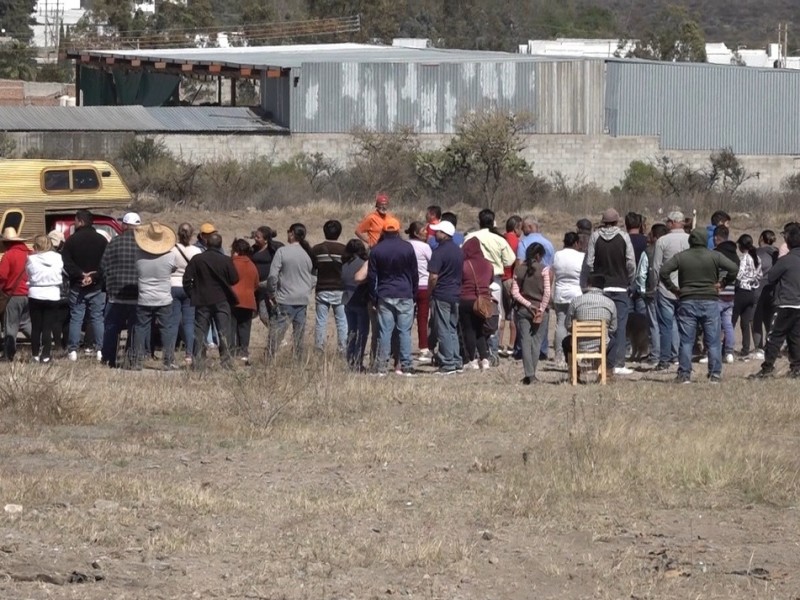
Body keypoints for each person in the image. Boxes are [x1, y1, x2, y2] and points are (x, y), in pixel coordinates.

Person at [659, 228, 739, 384]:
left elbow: (663, 271)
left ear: (691, 241)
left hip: (687, 300)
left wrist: (673, 289)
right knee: (713, 340)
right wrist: (723, 283)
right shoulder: (714, 255)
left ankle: (684, 375)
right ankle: (715, 374)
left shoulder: (682, 257)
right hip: (710, 300)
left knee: (687, 340)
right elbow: (734, 268)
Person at [584, 208, 635, 375]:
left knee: (600, 325)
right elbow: (630, 262)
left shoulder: (595, 236)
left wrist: (592, 279)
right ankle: (619, 363)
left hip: (600, 288)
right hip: (620, 286)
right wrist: (629, 279)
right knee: (619, 326)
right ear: (617, 221)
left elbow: (589, 262)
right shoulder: (624, 237)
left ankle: (598, 361)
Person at [367, 217, 418, 376]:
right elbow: (414, 273)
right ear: (398, 230)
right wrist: (413, 293)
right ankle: (407, 366)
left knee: (385, 332)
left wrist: (373, 297)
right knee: (404, 331)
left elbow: (372, 277)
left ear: (383, 230)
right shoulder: (407, 248)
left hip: (385, 293)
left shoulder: (377, 249)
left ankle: (382, 367)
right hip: (404, 293)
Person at [750, 224, 800, 379]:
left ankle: (767, 368)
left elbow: (771, 277)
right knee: (796, 337)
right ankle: (796, 368)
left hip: (785, 303)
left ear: (789, 242)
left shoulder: (786, 260)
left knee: (774, 337)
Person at [183, 232, 239, 371]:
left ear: (207, 244)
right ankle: (226, 362)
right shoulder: (226, 260)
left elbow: (186, 280)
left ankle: (198, 363)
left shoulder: (197, 259)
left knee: (200, 332)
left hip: (202, 300)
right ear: (220, 245)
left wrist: (192, 294)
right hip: (221, 300)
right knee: (223, 332)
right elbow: (234, 279)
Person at [465, 208, 516, 358]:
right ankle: (492, 351)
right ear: (493, 222)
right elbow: (510, 260)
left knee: (474, 314)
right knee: (494, 315)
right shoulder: (499, 239)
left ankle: (474, 350)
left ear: (479, 222)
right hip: (494, 281)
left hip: (473, 280)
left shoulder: (470, 237)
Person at [62, 209, 107, 362]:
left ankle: (73, 351)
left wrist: (81, 275)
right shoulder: (102, 240)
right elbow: (105, 264)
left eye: (75, 220)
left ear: (80, 221)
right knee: (97, 318)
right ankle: (100, 350)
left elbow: (66, 262)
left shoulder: (71, 240)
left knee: (76, 318)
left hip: (77, 285)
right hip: (97, 286)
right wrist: (93, 276)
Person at [131, 222, 178, 371]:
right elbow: (173, 269)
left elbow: (137, 270)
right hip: (164, 298)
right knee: (166, 328)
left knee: (140, 328)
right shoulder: (171, 256)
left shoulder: (138, 255)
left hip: (144, 297)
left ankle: (137, 361)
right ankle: (168, 360)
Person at [266, 223, 317, 359]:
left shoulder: (282, 252)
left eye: (288, 231)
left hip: (285, 298)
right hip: (302, 299)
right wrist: (307, 288)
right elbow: (314, 276)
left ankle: (269, 359)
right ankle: (298, 361)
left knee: (276, 333)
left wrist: (271, 293)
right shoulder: (308, 253)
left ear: (292, 233)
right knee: (299, 334)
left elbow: (272, 276)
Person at [99, 211, 140, 368]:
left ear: (124, 225)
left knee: (111, 327)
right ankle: (133, 359)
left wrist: (108, 283)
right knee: (136, 328)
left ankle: (109, 358)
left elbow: (103, 266)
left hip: (116, 293)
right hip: (137, 293)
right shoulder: (144, 245)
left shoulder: (114, 242)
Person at [651, 211, 690, 371]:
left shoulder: (662, 241)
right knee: (686, 326)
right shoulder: (690, 239)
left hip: (666, 288)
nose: (666, 224)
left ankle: (664, 360)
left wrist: (655, 285)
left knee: (666, 326)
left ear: (673, 222)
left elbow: (656, 267)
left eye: (668, 221)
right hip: (686, 288)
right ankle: (683, 359)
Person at [516, 215, 556, 360]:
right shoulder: (549, 243)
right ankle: (542, 349)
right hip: (544, 280)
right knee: (543, 312)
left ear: (531, 227)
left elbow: (519, 265)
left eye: (524, 227)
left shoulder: (524, 243)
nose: (522, 230)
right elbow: (551, 267)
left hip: (528, 281)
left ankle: (523, 350)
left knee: (524, 316)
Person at [511, 243, 551, 384]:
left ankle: (529, 374)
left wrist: (528, 305)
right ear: (538, 255)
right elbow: (547, 292)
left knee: (525, 342)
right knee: (536, 342)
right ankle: (531, 374)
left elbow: (515, 293)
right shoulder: (544, 270)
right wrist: (540, 308)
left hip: (523, 309)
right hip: (541, 309)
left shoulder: (519, 269)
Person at [427, 220, 463, 374]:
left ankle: (447, 362)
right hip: (455, 293)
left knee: (442, 328)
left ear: (444, 234)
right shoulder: (458, 251)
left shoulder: (438, 252)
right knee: (452, 328)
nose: (435, 234)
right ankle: (456, 360)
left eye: (438, 232)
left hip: (441, 293)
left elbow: (433, 276)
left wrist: (430, 291)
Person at [562, 274, 617, 374]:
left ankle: (575, 370)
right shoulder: (610, 303)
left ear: (589, 284)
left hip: (578, 344)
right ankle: (608, 372)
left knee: (565, 342)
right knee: (613, 342)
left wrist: (577, 331)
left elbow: (568, 325)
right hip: (601, 345)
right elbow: (613, 328)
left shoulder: (576, 301)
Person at [26, 234, 62, 364]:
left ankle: (35, 355)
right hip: (52, 293)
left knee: (36, 327)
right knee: (48, 327)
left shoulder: (31, 259)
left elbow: (28, 274)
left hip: (35, 293)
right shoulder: (58, 257)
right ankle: (46, 355)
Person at [312, 220, 347, 353]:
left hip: (322, 288)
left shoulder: (316, 249)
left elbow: (313, 268)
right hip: (340, 289)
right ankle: (343, 348)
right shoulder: (344, 250)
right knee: (342, 320)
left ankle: (319, 348)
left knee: (321, 320)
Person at [635, 222, 669, 364]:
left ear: (655, 236)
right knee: (669, 323)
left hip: (651, 292)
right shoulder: (670, 249)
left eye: (650, 234)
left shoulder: (648, 251)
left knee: (654, 324)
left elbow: (641, 274)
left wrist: (642, 290)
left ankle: (655, 355)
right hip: (670, 291)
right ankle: (672, 355)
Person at [169, 223, 202, 365]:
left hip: (173, 285)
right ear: (192, 234)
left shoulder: (171, 249)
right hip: (189, 287)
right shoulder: (196, 251)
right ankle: (189, 354)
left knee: (173, 322)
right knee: (189, 322)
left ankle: (169, 353)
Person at [459, 237, 494, 370]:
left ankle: (472, 359)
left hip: (466, 299)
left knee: (469, 330)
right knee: (480, 330)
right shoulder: (488, 264)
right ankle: (484, 359)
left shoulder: (465, 264)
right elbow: (490, 280)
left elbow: (460, 280)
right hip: (483, 300)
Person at [552, 231, 585, 367]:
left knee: (561, 324)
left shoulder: (557, 255)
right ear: (576, 243)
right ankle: (578, 354)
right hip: (577, 293)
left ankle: (559, 355)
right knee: (578, 325)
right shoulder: (581, 256)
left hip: (560, 293)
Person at [0, 227, 31, 361]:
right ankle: (41, 344)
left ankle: (8, 353)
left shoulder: (9, 255)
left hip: (13, 294)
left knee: (10, 325)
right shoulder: (31, 253)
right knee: (26, 323)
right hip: (29, 294)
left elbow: (2, 276)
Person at [712, 225, 740, 364]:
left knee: (714, 324)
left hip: (718, 293)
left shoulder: (716, 253)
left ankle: (714, 351)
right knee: (728, 325)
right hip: (731, 293)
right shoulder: (735, 254)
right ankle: (729, 352)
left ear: (716, 238)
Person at [406, 221, 433, 364]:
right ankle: (423, 347)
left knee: (405, 318)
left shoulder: (405, 245)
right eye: (423, 230)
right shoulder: (425, 247)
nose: (426, 232)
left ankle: (402, 346)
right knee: (422, 318)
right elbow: (433, 264)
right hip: (423, 285)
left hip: (408, 286)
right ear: (416, 233)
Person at [229, 238, 259, 364]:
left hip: (233, 299)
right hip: (248, 300)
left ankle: (232, 352)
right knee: (245, 328)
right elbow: (256, 283)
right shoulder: (252, 265)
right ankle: (244, 353)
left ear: (236, 251)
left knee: (231, 327)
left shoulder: (231, 263)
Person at [342, 239, 370, 371]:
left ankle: (350, 359)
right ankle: (358, 361)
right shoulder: (364, 264)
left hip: (347, 301)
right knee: (362, 332)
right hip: (361, 301)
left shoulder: (345, 264)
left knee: (351, 332)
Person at [732, 234, 762, 358]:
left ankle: (726, 348)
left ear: (741, 245)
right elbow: (759, 275)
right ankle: (745, 348)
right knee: (745, 322)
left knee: (731, 321)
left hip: (741, 291)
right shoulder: (757, 258)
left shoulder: (743, 258)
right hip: (751, 292)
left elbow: (739, 275)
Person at [753, 230, 779, 358]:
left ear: (761, 238)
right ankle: (771, 345)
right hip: (774, 288)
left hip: (759, 287)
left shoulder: (758, 252)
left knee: (757, 318)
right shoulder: (777, 252)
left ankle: (758, 347)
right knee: (770, 319)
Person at [250, 226, 283, 326]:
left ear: (265, 240)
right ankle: (275, 334)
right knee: (263, 315)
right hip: (257, 286)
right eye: (255, 236)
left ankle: (277, 335)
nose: (255, 238)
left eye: (258, 237)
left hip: (270, 286)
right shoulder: (253, 249)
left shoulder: (274, 249)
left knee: (274, 312)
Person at [499, 215, 522, 358]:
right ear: (516, 228)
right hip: (510, 279)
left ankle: (498, 343)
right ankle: (511, 345)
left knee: (500, 314)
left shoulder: (500, 238)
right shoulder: (516, 242)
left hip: (498, 278)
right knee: (514, 314)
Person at [47, 229, 69, 353]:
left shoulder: (45, 256)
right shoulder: (64, 256)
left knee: (56, 321)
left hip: (52, 292)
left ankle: (58, 345)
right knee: (66, 320)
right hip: (66, 291)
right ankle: (66, 345)